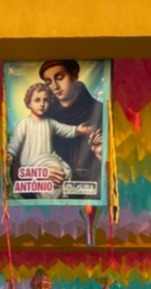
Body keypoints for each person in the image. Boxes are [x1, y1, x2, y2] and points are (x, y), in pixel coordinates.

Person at [6, 82, 94, 199]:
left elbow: (66, 130)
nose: (42, 104)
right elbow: (15, 142)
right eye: (37, 100)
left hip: (49, 158)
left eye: (46, 100)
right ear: (29, 103)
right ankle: (48, 197)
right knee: (51, 177)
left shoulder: (50, 122)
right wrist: (10, 154)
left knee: (64, 172)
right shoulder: (24, 124)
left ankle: (62, 197)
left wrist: (79, 130)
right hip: (32, 163)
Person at [39, 59, 104, 198]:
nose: (55, 87)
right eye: (48, 82)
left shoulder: (100, 112)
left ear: (74, 76)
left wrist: (100, 155)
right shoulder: (44, 118)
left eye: (60, 77)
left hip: (90, 195)